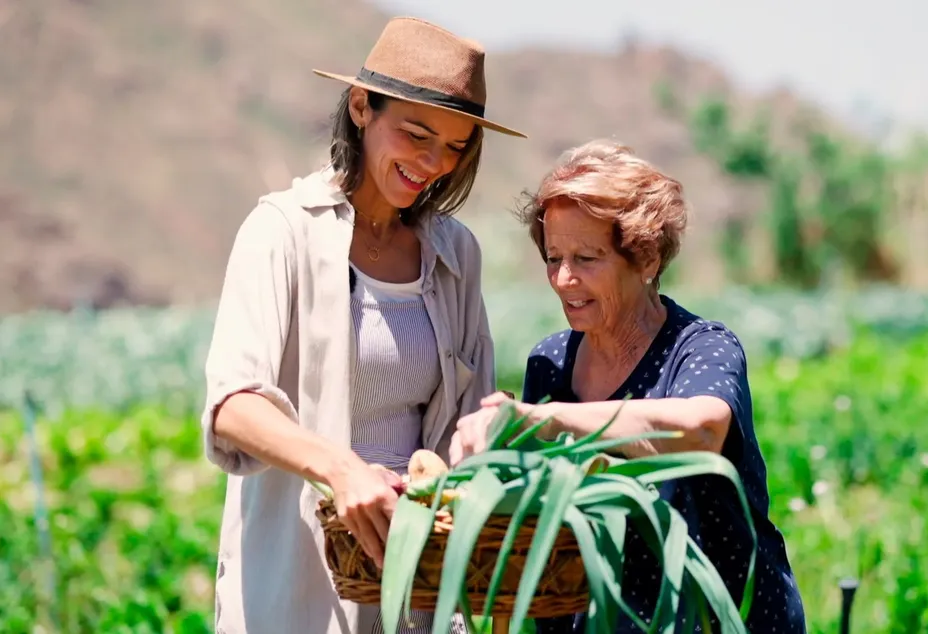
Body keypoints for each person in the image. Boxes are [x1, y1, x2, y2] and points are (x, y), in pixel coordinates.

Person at [199, 16, 526, 634]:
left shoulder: (455, 255)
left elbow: (463, 423)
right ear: (360, 106)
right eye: (417, 135)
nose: (434, 163)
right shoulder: (283, 231)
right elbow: (233, 407)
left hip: (418, 578)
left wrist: (495, 425)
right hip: (300, 577)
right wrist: (342, 469)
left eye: (456, 147)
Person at [450, 140, 806, 633]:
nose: (563, 279)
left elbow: (699, 430)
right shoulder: (550, 363)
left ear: (646, 260)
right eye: (553, 258)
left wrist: (543, 420)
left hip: (713, 618)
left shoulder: (700, 347)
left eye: (587, 258)